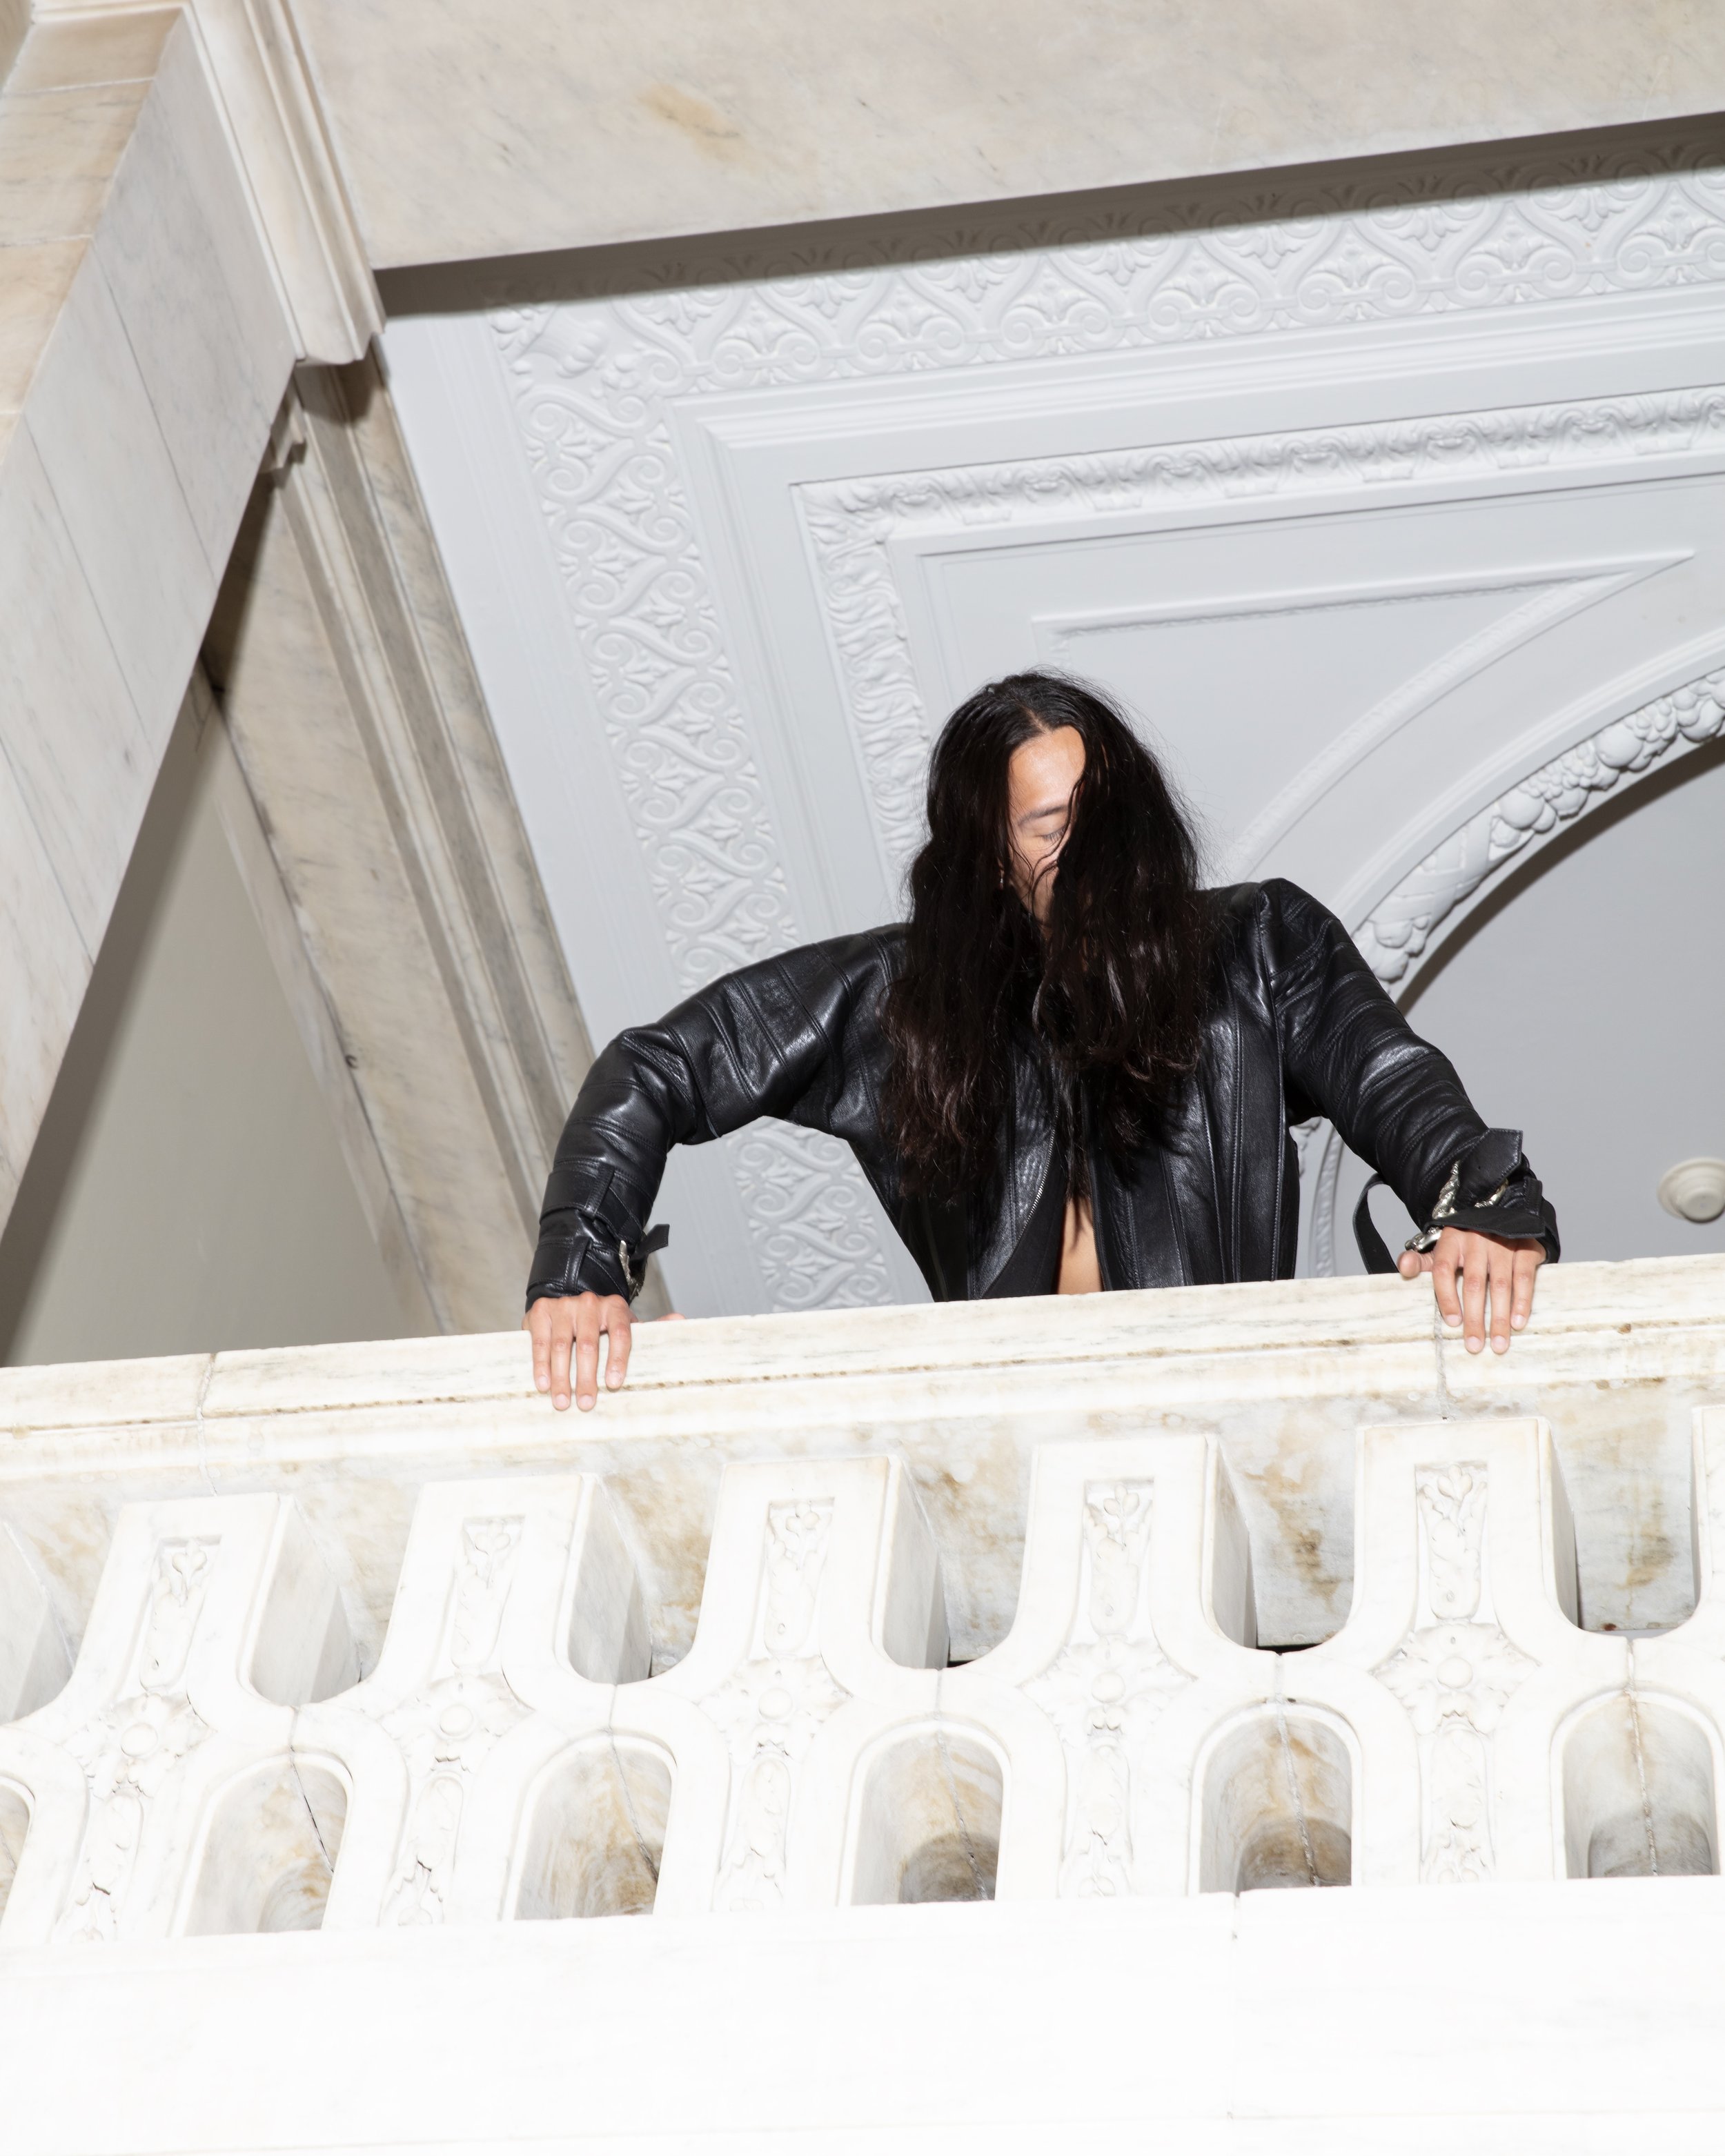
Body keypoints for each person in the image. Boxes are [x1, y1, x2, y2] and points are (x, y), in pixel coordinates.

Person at [525, 673, 1557, 1411]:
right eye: (1049, 826)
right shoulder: (902, 999)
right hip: (1016, 1423)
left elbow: (1391, 1074)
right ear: (988, 852)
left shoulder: (1253, 944)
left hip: (1224, 1404)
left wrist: (1481, 1203)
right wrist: (581, 1266)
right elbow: (660, 1066)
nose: (1090, 847)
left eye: (1105, 813)